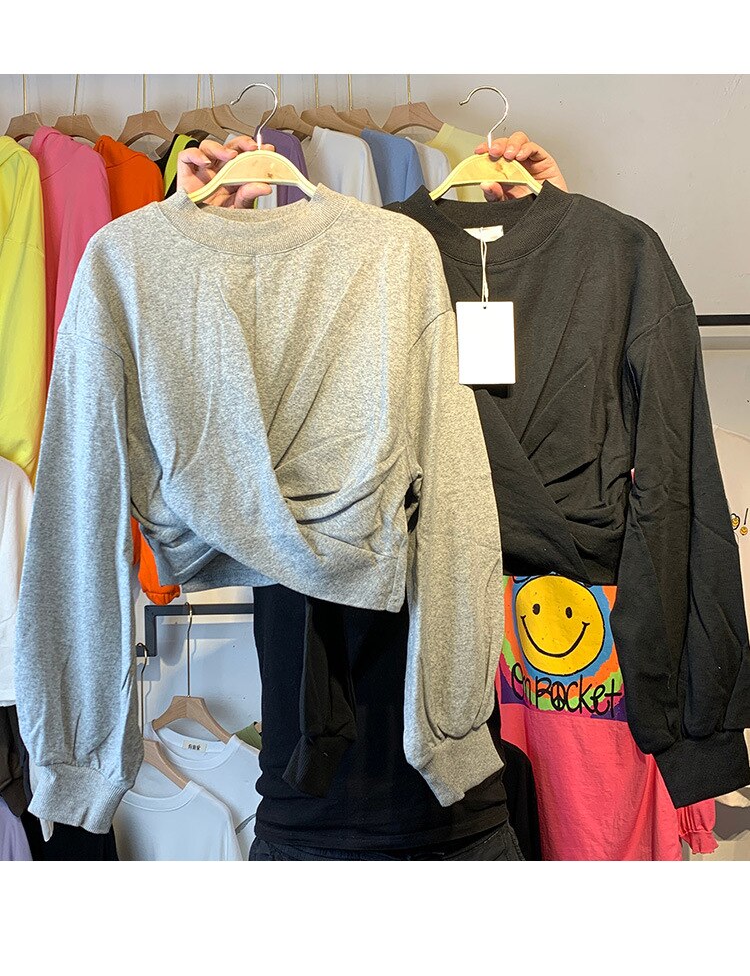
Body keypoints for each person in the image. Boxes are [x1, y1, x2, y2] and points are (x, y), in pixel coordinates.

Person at [175, 129, 567, 861]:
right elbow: (203, 449)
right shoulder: (354, 264)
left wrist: (551, 241)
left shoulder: (402, 254)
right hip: (314, 798)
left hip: (468, 789)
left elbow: (526, 464)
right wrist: (203, 247)